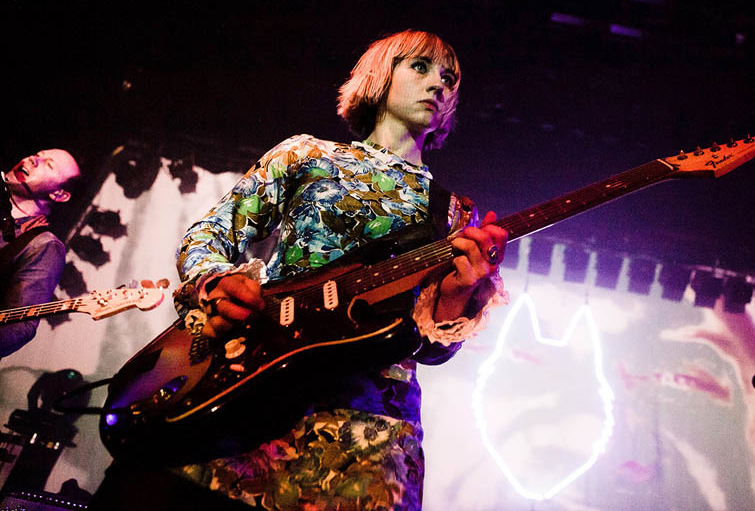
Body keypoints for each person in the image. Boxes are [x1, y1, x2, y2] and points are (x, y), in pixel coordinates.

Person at [92, 30, 508, 510]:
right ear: (381, 72)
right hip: (246, 386)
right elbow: (211, 234)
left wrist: (457, 294)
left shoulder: (456, 213)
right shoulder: (308, 153)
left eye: (449, 78)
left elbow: (434, 346)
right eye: (421, 67)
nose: (439, 84)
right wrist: (219, 284)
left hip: (366, 433)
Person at [0, 149, 81, 358]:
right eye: (39, 154)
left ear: (59, 194)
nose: (34, 159)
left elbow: (19, 328)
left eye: (49, 164)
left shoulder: (43, 246)